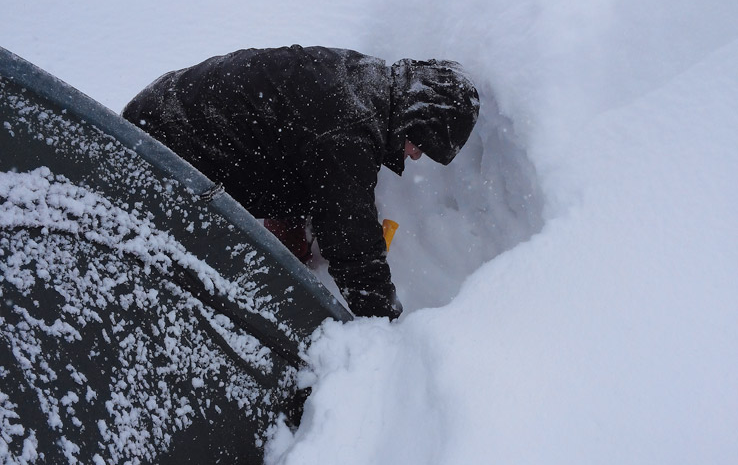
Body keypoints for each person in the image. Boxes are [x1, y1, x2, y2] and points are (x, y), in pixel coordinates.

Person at [122, 45, 479, 319]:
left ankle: (283, 248)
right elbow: (350, 242)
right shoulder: (351, 128)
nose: (416, 155)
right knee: (191, 273)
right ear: (415, 117)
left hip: (165, 108)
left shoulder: (365, 80)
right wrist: (384, 320)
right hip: (164, 141)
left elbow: (309, 158)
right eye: (422, 144)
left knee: (305, 182)